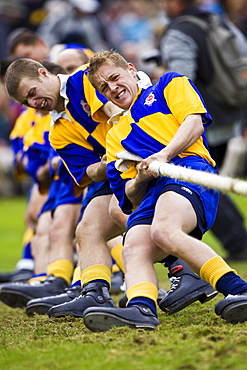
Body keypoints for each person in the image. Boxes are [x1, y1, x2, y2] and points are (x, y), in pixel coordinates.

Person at [3, 57, 217, 320]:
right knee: (87, 228)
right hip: (116, 170)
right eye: (27, 102)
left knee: (120, 211)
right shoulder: (57, 130)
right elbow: (86, 173)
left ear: (43, 73)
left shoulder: (85, 81)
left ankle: (184, 269)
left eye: (33, 93)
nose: (34, 104)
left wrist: (119, 157)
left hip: (149, 158)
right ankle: (94, 292)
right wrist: (106, 165)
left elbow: (122, 115)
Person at [78, 50, 247, 332]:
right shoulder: (114, 136)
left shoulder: (168, 84)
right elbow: (130, 198)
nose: (112, 89)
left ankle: (238, 288)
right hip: (152, 188)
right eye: (103, 88)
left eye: (115, 78)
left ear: (131, 70)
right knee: (134, 246)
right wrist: (141, 178)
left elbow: (193, 123)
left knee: (163, 230)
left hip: (189, 170)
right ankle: (142, 308)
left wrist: (164, 155)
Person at [158, 0, 247, 262]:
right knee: (207, 179)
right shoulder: (216, 20)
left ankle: (238, 241)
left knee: (200, 179)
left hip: (200, 117)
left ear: (175, 3)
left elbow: (180, 80)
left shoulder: (178, 30)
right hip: (229, 112)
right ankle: (237, 239)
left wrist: (159, 77)